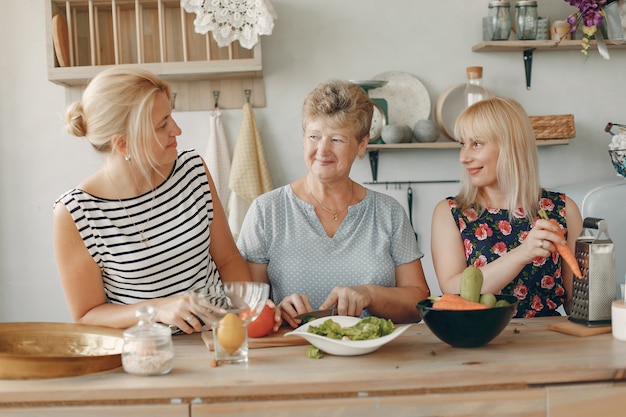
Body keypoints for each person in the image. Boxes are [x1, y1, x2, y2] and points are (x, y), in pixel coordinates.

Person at [52, 67, 252, 333]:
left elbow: (228, 260)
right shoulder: (77, 213)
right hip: (147, 353)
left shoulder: (192, 169)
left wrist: (247, 321)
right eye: (162, 125)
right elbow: (87, 314)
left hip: (218, 339)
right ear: (123, 145)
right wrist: (157, 309)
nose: (177, 130)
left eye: (171, 117)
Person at [237, 79, 431, 328]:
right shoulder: (267, 211)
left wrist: (370, 294)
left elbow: (418, 303)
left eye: (337, 140)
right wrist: (273, 310)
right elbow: (246, 307)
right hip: (294, 358)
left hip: (376, 358)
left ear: (362, 144)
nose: (322, 150)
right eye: (314, 137)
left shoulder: (388, 212)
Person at [431, 97, 583, 318]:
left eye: (477, 144)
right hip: (480, 337)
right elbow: (454, 291)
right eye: (462, 144)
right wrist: (522, 253)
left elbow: (576, 304)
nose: (463, 157)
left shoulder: (562, 209)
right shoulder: (452, 212)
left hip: (549, 339)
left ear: (510, 146)